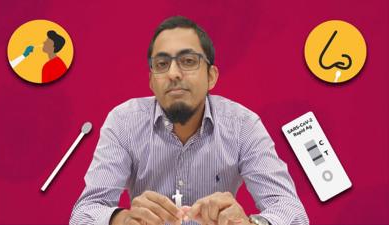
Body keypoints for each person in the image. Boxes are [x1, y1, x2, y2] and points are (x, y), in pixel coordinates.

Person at [70, 16, 309, 225]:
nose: (173, 73)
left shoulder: (243, 126)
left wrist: (251, 223)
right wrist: (122, 220)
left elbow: (292, 212)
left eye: (188, 61)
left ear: (211, 76)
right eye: (162, 64)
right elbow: (84, 214)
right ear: (152, 81)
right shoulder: (123, 122)